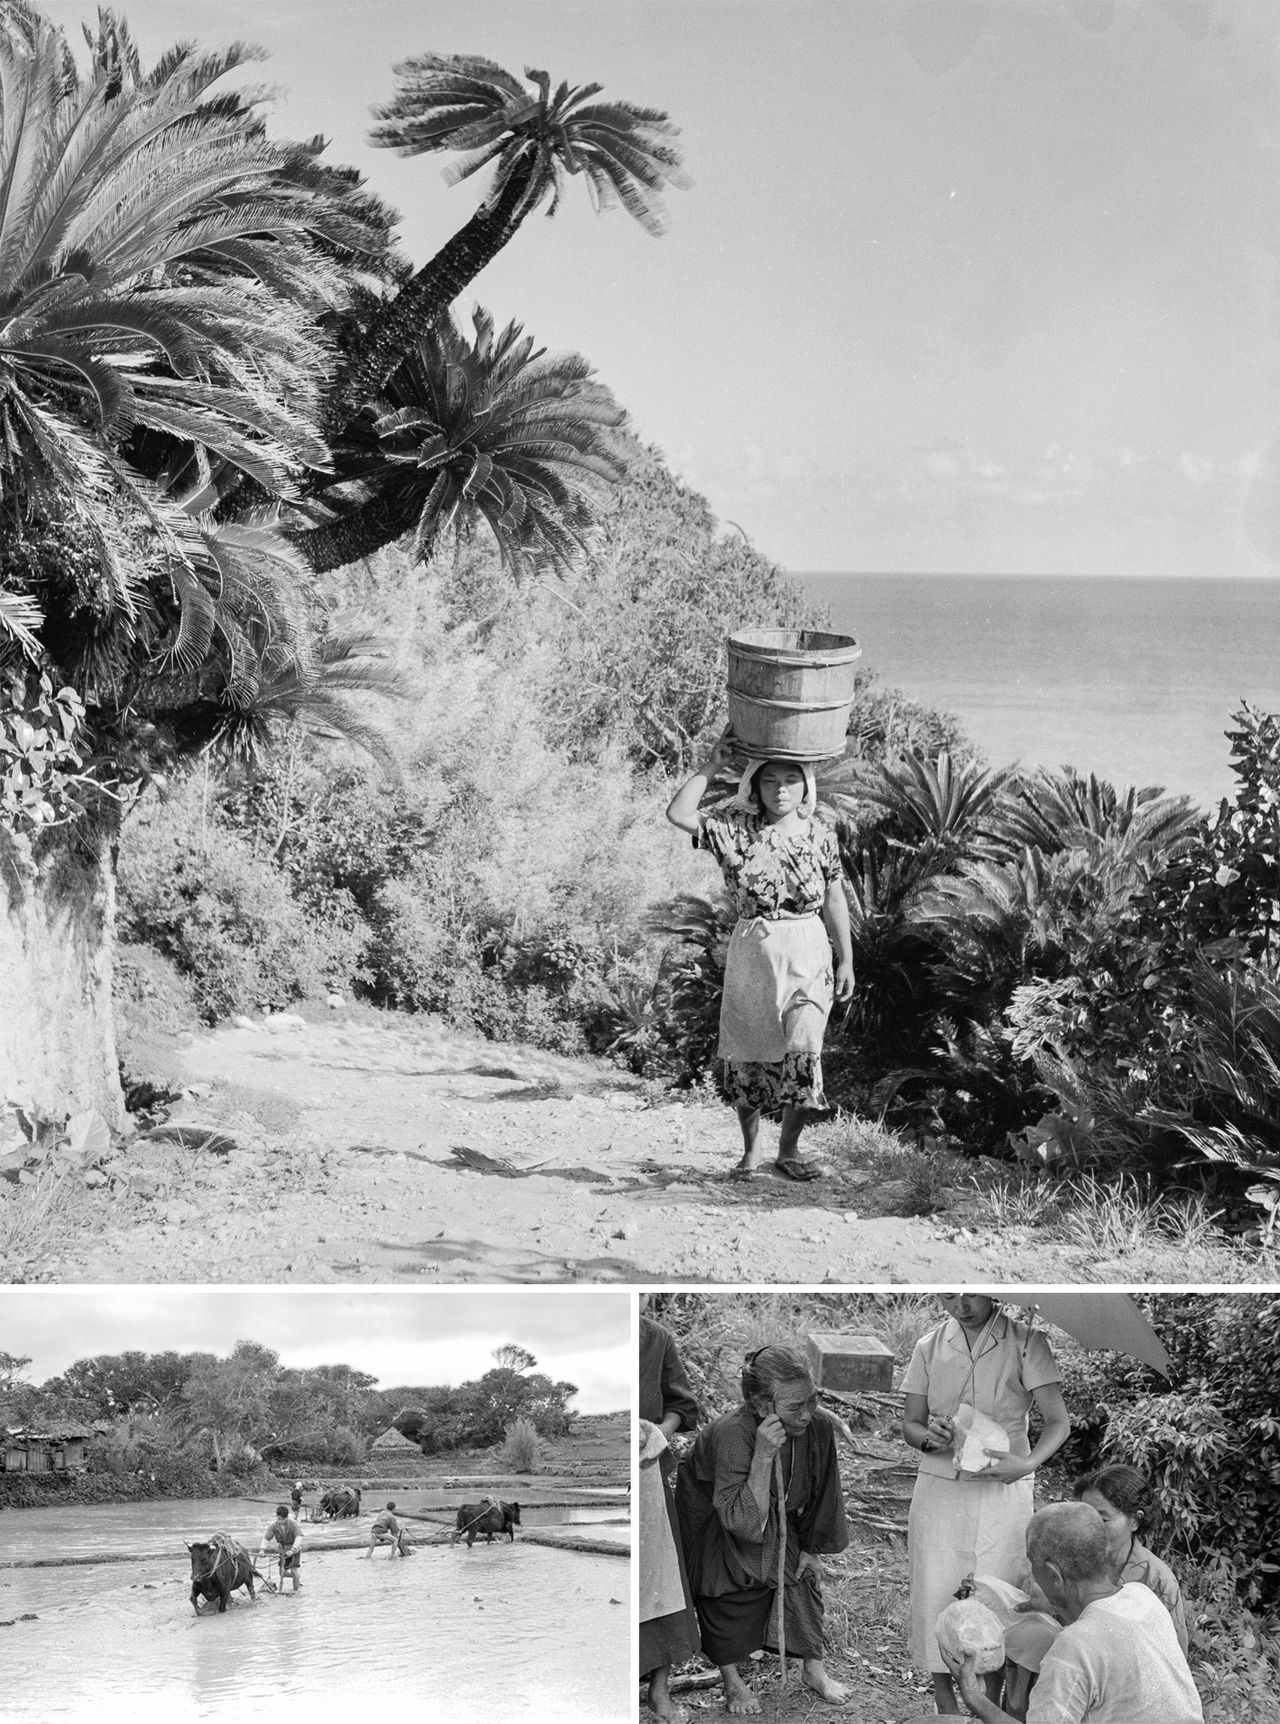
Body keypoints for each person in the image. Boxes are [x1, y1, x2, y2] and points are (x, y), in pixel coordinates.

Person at [666, 727, 853, 1182]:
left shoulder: (821, 834)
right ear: (754, 785)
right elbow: (678, 812)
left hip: (808, 948)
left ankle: (788, 1150)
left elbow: (833, 897)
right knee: (748, 1051)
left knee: (804, 1048)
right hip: (754, 948)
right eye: (770, 780)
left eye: (791, 779)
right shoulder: (733, 831)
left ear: (806, 786)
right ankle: (751, 1152)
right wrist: (712, 765)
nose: (781, 789)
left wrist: (846, 958)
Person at [901, 1292, 1071, 1715]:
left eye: (970, 1294)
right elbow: (911, 1423)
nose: (961, 1306)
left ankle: (988, 1703)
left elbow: (1058, 1422)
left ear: (994, 1290)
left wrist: (1027, 1462)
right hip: (942, 1487)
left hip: (1003, 1488)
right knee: (936, 1591)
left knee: (997, 1595)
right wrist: (929, 1437)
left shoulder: (1028, 1342)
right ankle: (946, 1704)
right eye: (948, 1296)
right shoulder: (929, 1346)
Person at [675, 1344, 850, 1715]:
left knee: (802, 1577)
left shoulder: (816, 1426)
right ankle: (732, 1682)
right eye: (794, 1407)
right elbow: (741, 1522)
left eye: (812, 1399)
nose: (806, 1414)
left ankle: (813, 1671)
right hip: (719, 1524)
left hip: (777, 1518)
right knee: (720, 1591)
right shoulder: (732, 1435)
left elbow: (823, 1490)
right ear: (761, 1406)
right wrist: (763, 1455)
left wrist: (812, 1547)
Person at [941, 1502, 1204, 1723]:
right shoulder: (1142, 1597)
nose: (1032, 1577)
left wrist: (974, 1696)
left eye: (1034, 1567)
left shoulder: (1073, 1648)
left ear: (1054, 1575)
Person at [1002, 1464, 1190, 1716]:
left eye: (1101, 1519)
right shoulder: (1065, 1559)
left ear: (1135, 1520)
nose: (1089, 1527)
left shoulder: (1153, 1585)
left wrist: (971, 1695)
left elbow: (1171, 1664)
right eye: (1084, 1515)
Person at [640, 1313, 702, 1721]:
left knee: (659, 1581)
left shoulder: (655, 1337)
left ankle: (659, 1691)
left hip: (647, 1470)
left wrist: (659, 1431)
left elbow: (681, 1405)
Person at [260, 1504, 302, 1592]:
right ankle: (297, 1577)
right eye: (278, 1519)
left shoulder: (293, 1524)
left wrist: (292, 1550)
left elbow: (298, 1538)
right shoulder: (274, 1526)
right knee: (282, 1573)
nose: (280, 1521)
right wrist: (262, 1550)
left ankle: (296, 1590)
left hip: (293, 1549)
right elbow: (267, 1538)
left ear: (287, 1517)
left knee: (294, 1569)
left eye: (282, 1519)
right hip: (282, 1549)